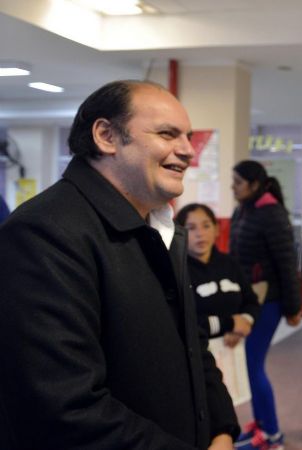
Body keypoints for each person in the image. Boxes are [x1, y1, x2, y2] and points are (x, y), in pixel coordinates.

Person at [0, 80, 239, 449]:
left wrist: (222, 428)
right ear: (106, 136)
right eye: (167, 134)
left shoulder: (161, 227)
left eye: (188, 137)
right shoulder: (44, 233)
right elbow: (63, 406)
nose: (189, 150)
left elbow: (193, 347)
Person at [229, 161, 302, 450]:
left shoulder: (271, 214)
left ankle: (272, 435)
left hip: (268, 301)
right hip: (248, 299)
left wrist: (293, 307)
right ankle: (260, 425)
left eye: (237, 182)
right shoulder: (243, 210)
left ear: (254, 184)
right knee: (248, 365)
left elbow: (287, 264)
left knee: (253, 364)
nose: (233, 187)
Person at [175, 203, 260, 347]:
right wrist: (230, 324)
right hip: (197, 352)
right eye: (191, 228)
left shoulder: (230, 263)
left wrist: (243, 324)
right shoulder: (177, 271)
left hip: (235, 349)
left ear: (217, 229)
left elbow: (251, 301)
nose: (200, 233)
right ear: (179, 233)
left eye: (206, 226)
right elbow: (182, 322)